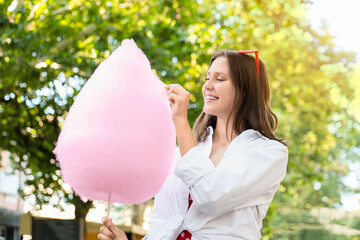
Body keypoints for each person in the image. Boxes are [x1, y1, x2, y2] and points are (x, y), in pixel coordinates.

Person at [98, 50, 288, 240]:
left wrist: (180, 120)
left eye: (220, 79)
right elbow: (164, 221)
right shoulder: (183, 152)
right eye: (207, 78)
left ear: (245, 89)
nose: (208, 86)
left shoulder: (269, 153)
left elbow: (211, 197)